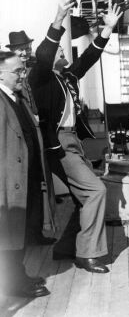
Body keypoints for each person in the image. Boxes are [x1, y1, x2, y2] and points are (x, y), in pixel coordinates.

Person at [30, 0, 122, 274]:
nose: (62, 51)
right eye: (59, 50)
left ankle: (65, 247)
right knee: (96, 192)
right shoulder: (40, 77)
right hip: (59, 145)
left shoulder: (66, 76)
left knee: (84, 197)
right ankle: (88, 253)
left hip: (74, 142)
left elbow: (89, 58)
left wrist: (107, 30)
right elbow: (45, 54)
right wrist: (58, 21)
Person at [0, 51, 50, 298]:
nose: (23, 75)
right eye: (18, 71)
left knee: (18, 233)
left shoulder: (16, 97)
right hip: (8, 183)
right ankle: (14, 282)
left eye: (23, 70)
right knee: (10, 235)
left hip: (25, 178)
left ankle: (16, 276)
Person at [7, 30, 57, 246]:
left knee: (38, 188)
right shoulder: (12, 75)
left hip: (37, 129)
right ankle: (26, 237)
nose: (25, 52)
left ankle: (36, 233)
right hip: (20, 134)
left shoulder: (33, 69)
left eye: (27, 48)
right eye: (21, 49)